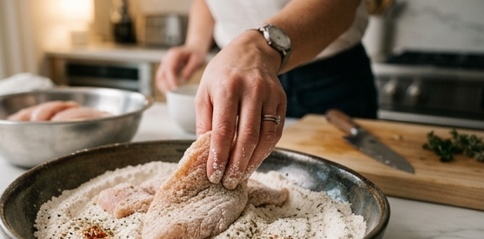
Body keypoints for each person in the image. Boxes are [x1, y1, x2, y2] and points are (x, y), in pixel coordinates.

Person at [155, 0, 378, 190]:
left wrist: (258, 48)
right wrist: (196, 42)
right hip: (235, 71)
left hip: (327, 79)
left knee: (340, 189)